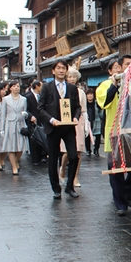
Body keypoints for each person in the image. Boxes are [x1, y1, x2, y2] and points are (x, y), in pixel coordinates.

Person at [98, 56, 131, 216]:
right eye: (122, 66)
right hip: (115, 132)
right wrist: (114, 85)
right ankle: (120, 203)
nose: (125, 69)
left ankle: (127, 192)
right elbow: (103, 102)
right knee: (115, 168)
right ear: (111, 71)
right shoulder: (104, 85)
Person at [37, 59, 82, 199]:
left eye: (63, 68)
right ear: (53, 71)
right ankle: (56, 188)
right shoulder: (47, 87)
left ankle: (70, 186)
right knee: (53, 158)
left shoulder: (72, 88)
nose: (61, 70)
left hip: (68, 127)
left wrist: (75, 117)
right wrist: (51, 120)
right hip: (53, 127)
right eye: (58, 68)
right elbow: (40, 108)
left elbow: (78, 107)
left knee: (73, 155)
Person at [59, 68, 88, 187]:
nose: (71, 79)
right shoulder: (61, 90)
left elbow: (84, 110)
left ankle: (75, 176)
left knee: (78, 152)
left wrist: (86, 124)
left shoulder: (81, 92)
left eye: (74, 77)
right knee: (67, 151)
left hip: (78, 121)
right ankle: (62, 169)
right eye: (69, 76)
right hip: (65, 121)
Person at [1, 80, 28, 175]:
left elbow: (25, 111)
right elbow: (3, 114)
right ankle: (13, 167)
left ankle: (15, 161)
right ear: (10, 88)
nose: (16, 88)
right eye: (14, 86)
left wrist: (25, 115)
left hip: (20, 123)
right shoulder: (5, 99)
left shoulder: (23, 99)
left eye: (18, 86)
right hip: (10, 123)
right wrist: (2, 128)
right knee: (11, 146)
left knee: (21, 147)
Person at [25, 79, 45, 165]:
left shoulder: (42, 95)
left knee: (42, 137)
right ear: (36, 86)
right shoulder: (28, 96)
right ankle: (35, 159)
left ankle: (42, 156)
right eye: (41, 86)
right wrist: (30, 116)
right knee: (33, 139)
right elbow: (26, 109)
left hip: (41, 120)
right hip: (32, 120)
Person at [86, 89, 101, 157]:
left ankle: (96, 149)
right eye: (88, 94)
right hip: (87, 122)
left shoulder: (97, 103)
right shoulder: (84, 104)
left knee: (98, 136)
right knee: (87, 137)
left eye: (91, 94)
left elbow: (101, 112)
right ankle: (88, 150)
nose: (90, 96)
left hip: (97, 121)